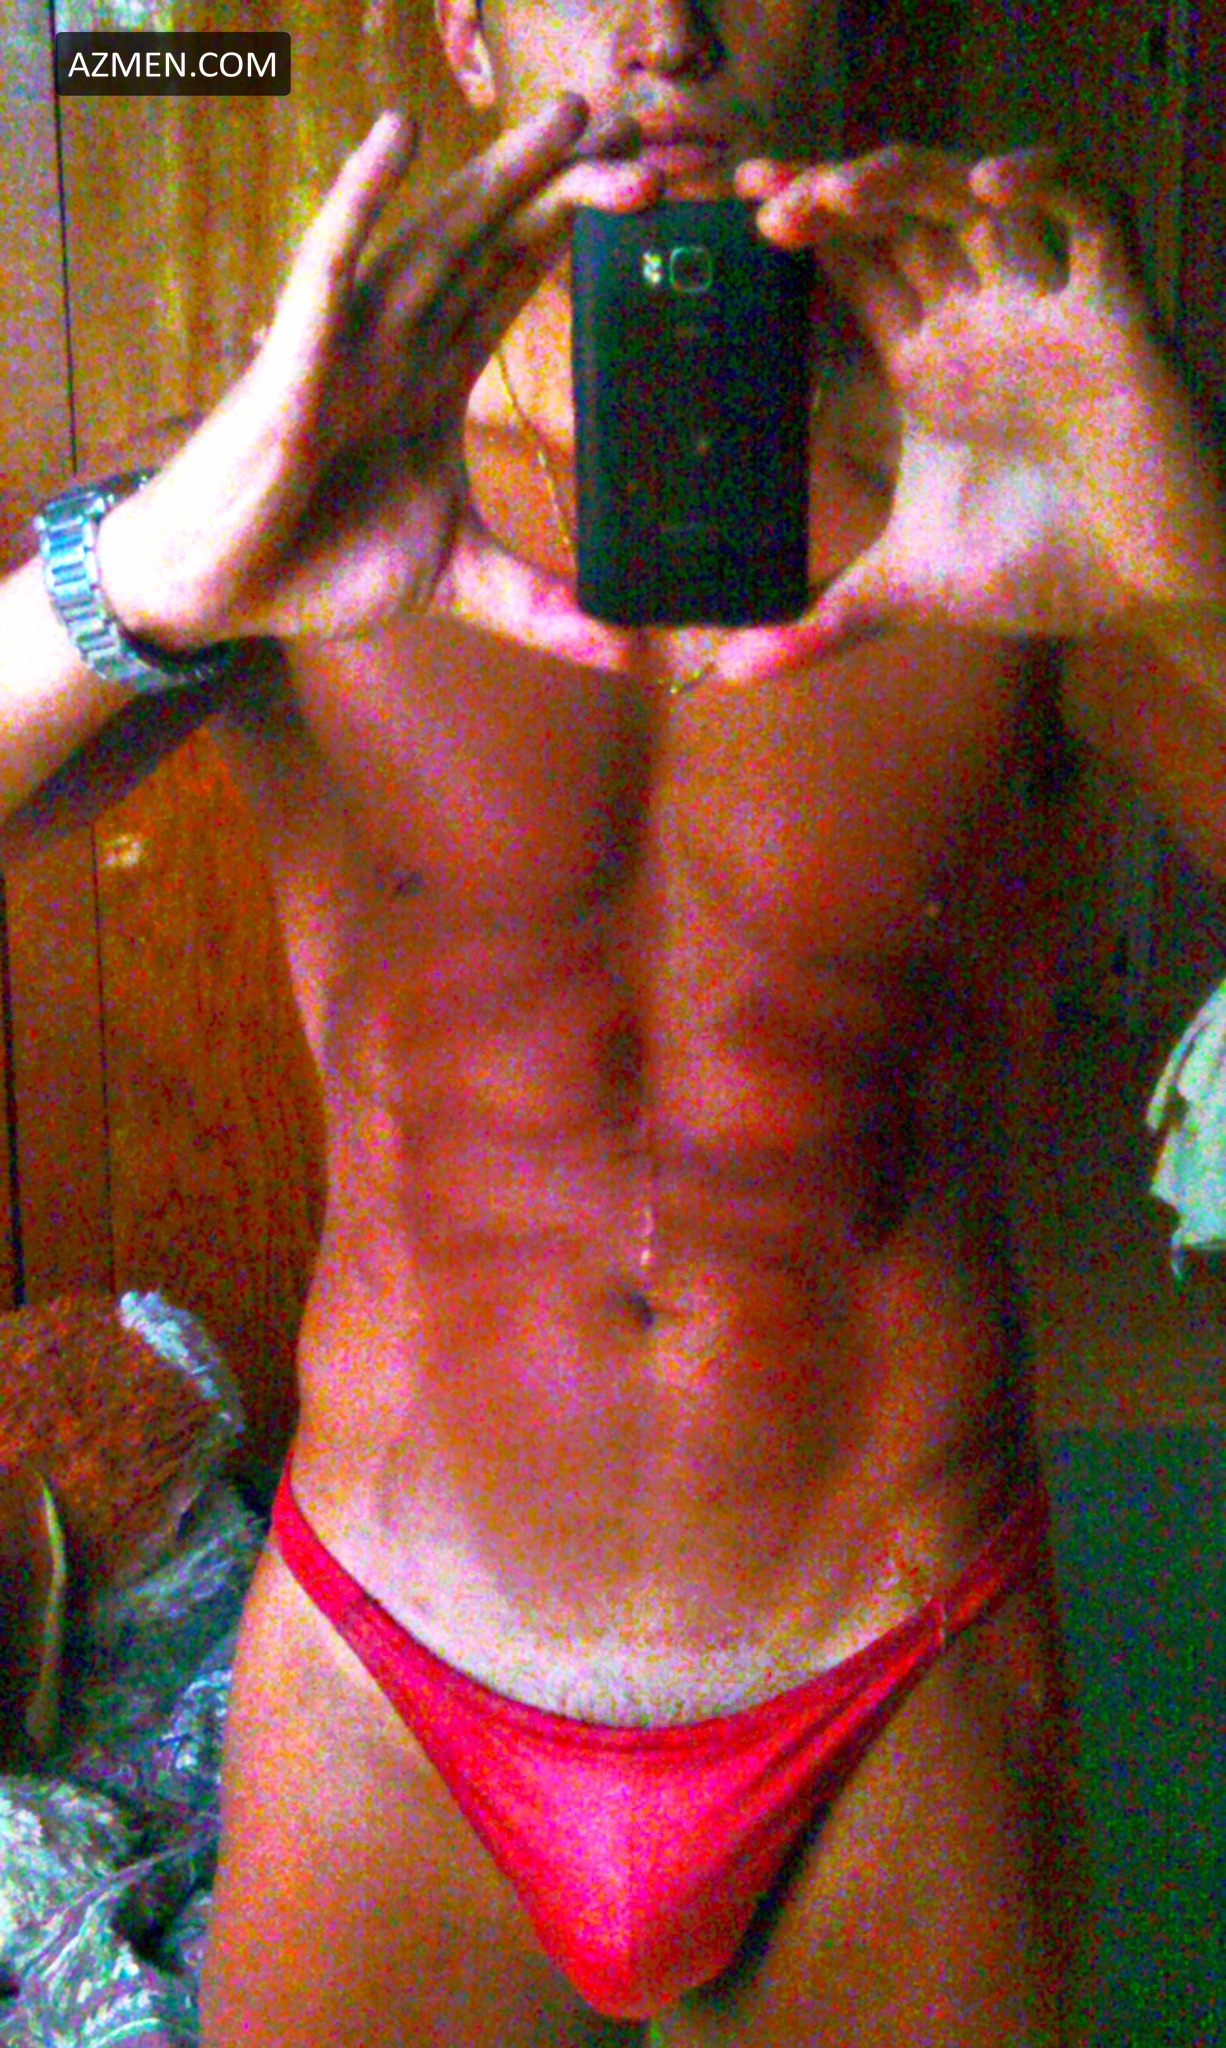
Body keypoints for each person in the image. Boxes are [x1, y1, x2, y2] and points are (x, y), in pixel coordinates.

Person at [2, 1, 1223, 2040]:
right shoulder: (288, 488)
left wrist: (1192, 579)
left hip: (890, 1648)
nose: (663, 25)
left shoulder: (1028, 505)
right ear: (467, 37)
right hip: (397, 1675)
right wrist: (140, 576)